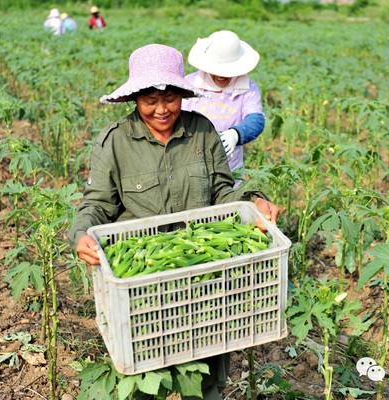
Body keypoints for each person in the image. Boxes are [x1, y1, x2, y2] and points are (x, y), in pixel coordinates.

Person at [69, 44, 281, 400]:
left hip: (204, 275)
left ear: (182, 94)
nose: (161, 109)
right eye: (150, 99)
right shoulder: (115, 142)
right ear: (134, 98)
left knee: (206, 369)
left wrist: (253, 203)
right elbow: (97, 204)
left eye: (170, 98)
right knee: (144, 373)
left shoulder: (202, 132)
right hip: (143, 279)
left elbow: (222, 191)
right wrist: (80, 235)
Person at [182, 30, 265, 174]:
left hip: (230, 167)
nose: (221, 75)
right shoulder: (190, 84)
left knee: (229, 195)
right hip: (190, 163)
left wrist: (236, 134)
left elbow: (256, 119)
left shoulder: (248, 88)